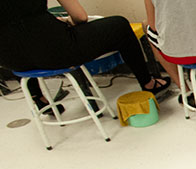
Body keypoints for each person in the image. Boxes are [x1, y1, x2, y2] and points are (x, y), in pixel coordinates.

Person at [0, 0, 170, 111]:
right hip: (57, 53)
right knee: (120, 25)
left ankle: (39, 97)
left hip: (12, 60)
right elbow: (80, 17)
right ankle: (148, 83)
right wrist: (68, 22)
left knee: (21, 45)